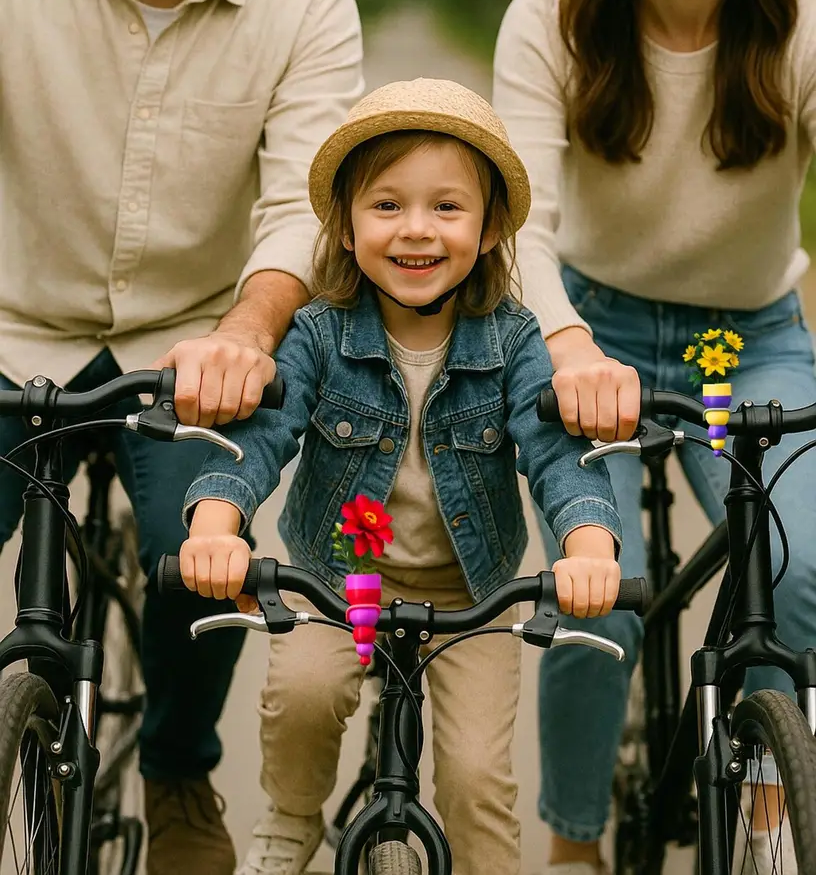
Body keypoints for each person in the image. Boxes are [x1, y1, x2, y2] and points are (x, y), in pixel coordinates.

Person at [0, 0, 363, 874]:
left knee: (201, 557)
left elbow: (305, 207)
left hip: (193, 350)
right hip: (8, 332)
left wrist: (248, 335)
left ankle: (173, 761)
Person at [492, 0, 816, 873]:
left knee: (801, 559)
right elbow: (516, 225)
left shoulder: (807, 20)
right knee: (600, 596)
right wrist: (570, 347)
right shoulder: (553, 18)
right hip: (591, 329)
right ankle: (574, 842)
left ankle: (776, 822)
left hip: (750, 346)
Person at [179, 77, 623, 875]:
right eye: (387, 205)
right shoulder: (318, 332)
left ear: (488, 231)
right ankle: (289, 817)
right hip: (337, 577)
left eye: (447, 208)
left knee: (478, 783)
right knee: (305, 700)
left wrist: (588, 547)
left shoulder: (515, 339)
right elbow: (260, 439)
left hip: (469, 589)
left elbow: (557, 453)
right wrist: (216, 528)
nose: (416, 230)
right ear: (346, 229)